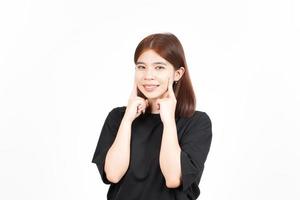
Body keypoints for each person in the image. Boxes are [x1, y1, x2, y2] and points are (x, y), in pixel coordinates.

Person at [91, 32, 213, 200]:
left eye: (159, 67)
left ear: (178, 74)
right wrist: (127, 120)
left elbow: (173, 178)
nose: (148, 76)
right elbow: (113, 175)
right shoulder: (117, 117)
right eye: (141, 67)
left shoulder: (197, 122)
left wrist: (168, 121)